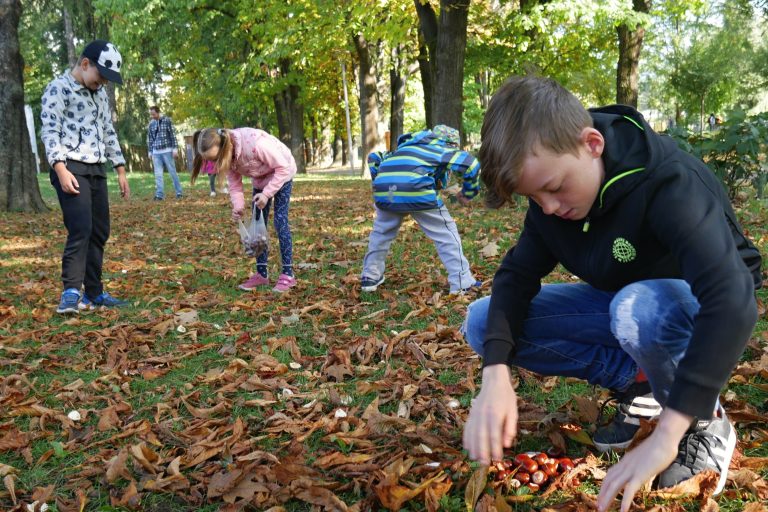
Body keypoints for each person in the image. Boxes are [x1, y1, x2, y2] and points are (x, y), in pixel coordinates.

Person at [461, 76, 761, 512]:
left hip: (699, 308)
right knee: (483, 322)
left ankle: (702, 421)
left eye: (554, 187)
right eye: (534, 197)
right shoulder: (554, 200)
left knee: (636, 309)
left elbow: (732, 297)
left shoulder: (666, 182)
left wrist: (668, 434)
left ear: (593, 144)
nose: (548, 207)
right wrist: (495, 375)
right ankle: (640, 388)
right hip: (629, 306)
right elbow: (515, 277)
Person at [40, 40, 131, 313]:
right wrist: (59, 167)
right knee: (80, 229)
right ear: (84, 64)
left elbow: (108, 131)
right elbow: (50, 130)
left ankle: (94, 292)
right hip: (70, 167)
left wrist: (120, 169)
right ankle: (70, 291)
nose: (102, 83)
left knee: (100, 231)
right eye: (100, 76)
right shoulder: (59, 89)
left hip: (96, 168)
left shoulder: (99, 95)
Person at [359, 125, 481, 293]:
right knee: (446, 233)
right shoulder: (441, 148)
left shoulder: (404, 148)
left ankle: (370, 277)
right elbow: (471, 163)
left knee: (380, 234)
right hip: (417, 189)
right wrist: (468, 192)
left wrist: (379, 179)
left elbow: (374, 157)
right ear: (451, 144)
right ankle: (462, 282)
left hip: (386, 192)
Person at [192, 128, 297, 292]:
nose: (215, 164)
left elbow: (282, 168)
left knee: (280, 221)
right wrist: (238, 207)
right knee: (257, 225)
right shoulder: (229, 157)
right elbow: (235, 185)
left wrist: (267, 194)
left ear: (224, 148)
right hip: (260, 180)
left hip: (282, 174)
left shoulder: (257, 144)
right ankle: (261, 274)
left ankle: (288, 274)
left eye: (215, 158)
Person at [147, 106, 183, 200]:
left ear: (158, 112)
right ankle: (159, 195)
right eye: (151, 114)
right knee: (158, 174)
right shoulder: (151, 124)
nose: (152, 116)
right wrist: (150, 151)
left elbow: (172, 135)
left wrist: (174, 149)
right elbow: (150, 139)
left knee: (172, 172)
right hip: (156, 153)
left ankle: (179, 192)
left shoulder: (167, 121)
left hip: (167, 151)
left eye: (153, 114)